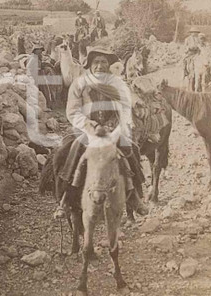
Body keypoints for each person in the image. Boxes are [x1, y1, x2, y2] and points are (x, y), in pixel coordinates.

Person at [55, 43, 147, 220]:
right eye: (96, 62)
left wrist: (114, 125)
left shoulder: (117, 84)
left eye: (103, 62)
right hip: (86, 129)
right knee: (72, 149)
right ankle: (66, 197)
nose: (99, 66)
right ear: (89, 64)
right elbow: (72, 111)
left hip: (110, 129)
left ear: (108, 64)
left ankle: (134, 195)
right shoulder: (79, 84)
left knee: (130, 149)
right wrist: (91, 125)